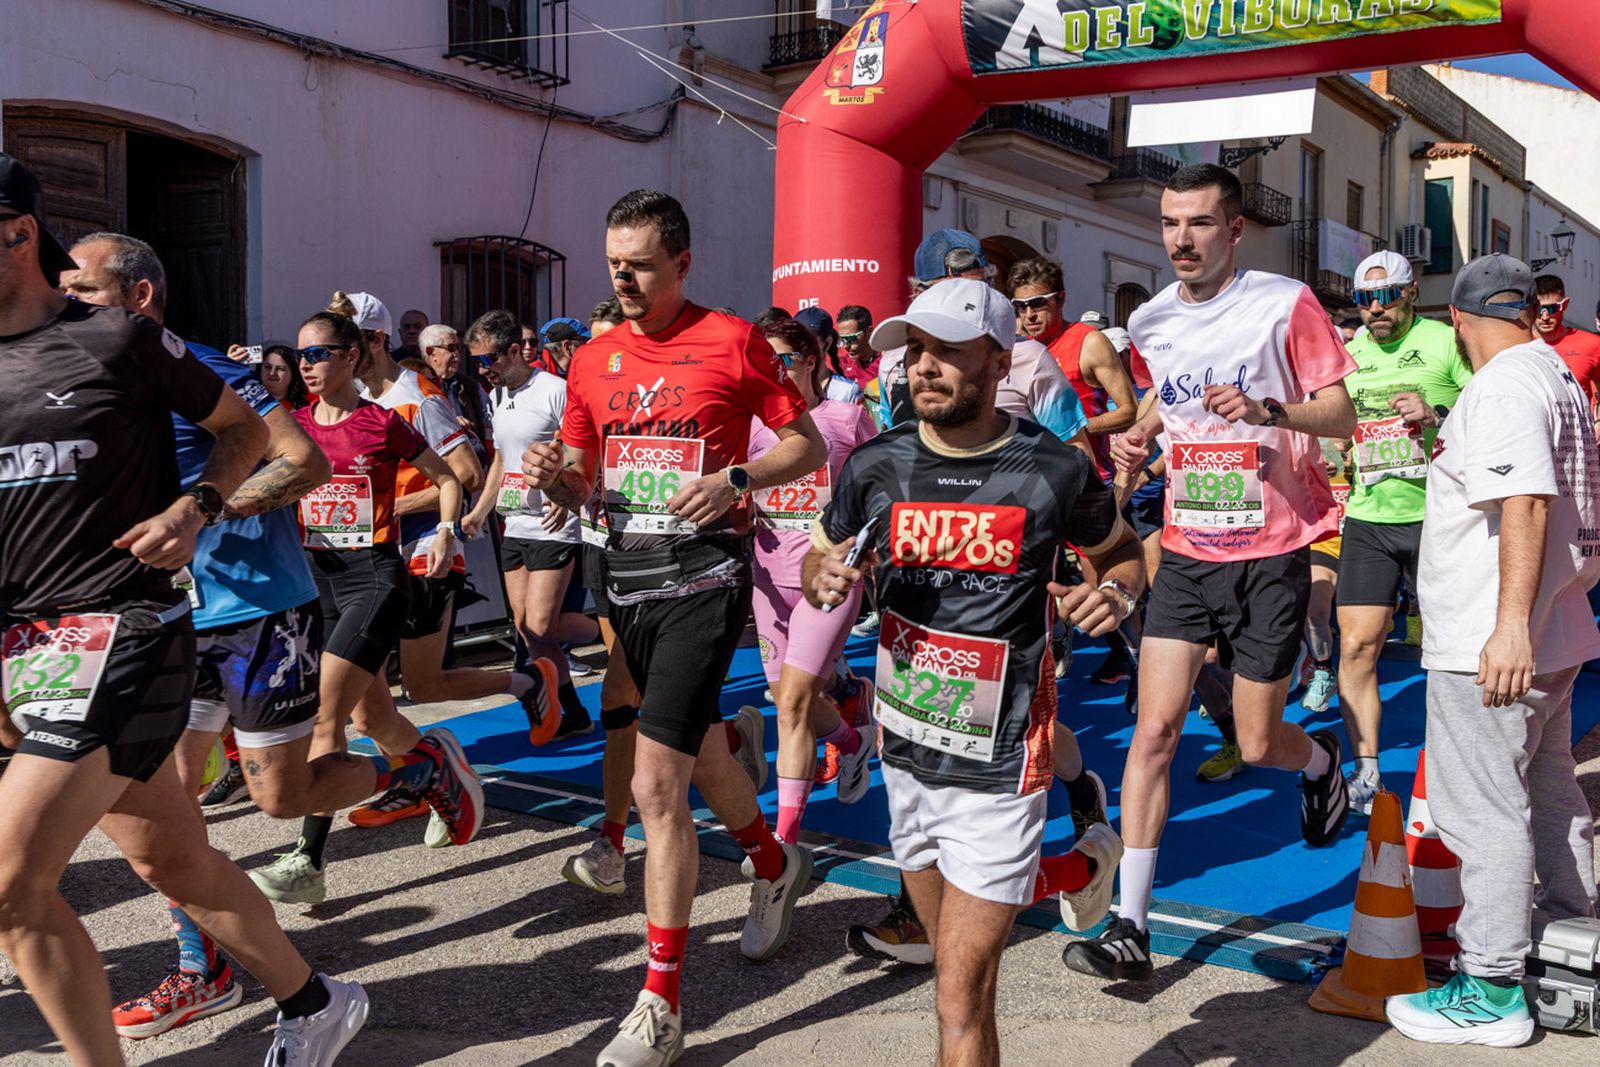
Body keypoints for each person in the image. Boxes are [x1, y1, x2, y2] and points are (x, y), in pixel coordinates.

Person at [59, 231, 478, 1039]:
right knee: (172, 807)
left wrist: (206, 511)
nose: (68, 305)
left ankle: (422, 765)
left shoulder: (208, 374)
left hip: (262, 613)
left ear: (139, 297)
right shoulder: (94, 385)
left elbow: (306, 466)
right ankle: (201, 965)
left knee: (280, 797)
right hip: (174, 621)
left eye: (84, 292)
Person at [0, 153, 368, 1065]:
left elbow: (254, 435)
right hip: (26, 643)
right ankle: (315, 1000)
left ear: (15, 231)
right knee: (171, 857)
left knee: (12, 884)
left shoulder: (117, 339)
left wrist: (193, 509)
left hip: (124, 628)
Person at [522, 190, 827, 1066]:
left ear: (682, 263)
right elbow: (583, 483)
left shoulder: (730, 339)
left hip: (708, 577)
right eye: (614, 259)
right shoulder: (593, 358)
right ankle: (773, 865)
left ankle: (659, 1002)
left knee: (660, 784)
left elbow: (802, 444)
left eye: (641, 262)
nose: (622, 274)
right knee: (703, 755)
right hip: (626, 577)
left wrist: (737, 477)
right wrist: (554, 476)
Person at [808, 278, 1139, 1064]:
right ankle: (1083, 861)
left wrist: (1117, 592)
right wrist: (826, 576)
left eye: (946, 352)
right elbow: (828, 550)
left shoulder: (1052, 469)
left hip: (1003, 759)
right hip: (909, 750)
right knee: (963, 991)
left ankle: (1075, 859)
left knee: (957, 990)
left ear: (998, 362)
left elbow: (1124, 550)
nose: (922, 367)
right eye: (914, 351)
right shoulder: (876, 464)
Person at [1065, 164, 1358, 980]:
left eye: (1197, 224)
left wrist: (1272, 412)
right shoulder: (1153, 319)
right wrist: (1139, 439)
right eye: (1168, 224)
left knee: (1261, 739)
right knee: (1155, 732)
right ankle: (1131, 923)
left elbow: (1343, 414)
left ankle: (1321, 762)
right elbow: (1170, 400)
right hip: (1191, 548)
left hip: (1272, 548)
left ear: (1234, 230)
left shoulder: (1283, 302)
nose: (1180, 240)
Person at [1386, 254, 1600, 1047]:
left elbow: (1526, 501)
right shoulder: (1552, 374)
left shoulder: (1505, 382)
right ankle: (1570, 932)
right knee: (1548, 791)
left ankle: (1491, 985)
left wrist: (1508, 624)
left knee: (1483, 810)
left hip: (1497, 632)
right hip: (1554, 623)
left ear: (1459, 320)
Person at [248, 309, 497, 901]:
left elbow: (448, 478)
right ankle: (436, 767)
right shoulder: (290, 427)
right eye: (300, 356)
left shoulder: (379, 424)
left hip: (375, 580)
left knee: (324, 718)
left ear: (351, 356)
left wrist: (444, 533)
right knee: (373, 720)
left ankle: (307, 861)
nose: (306, 366)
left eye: (319, 354)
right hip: (316, 586)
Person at [1336, 251, 1470, 813]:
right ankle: (1367, 771)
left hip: (1439, 513)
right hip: (1369, 514)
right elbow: (1333, 418)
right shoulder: (1349, 354)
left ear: (1411, 291)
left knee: (1453, 652)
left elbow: (1491, 404)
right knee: (1357, 644)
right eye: (1365, 299)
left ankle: (1462, 765)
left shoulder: (1444, 342)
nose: (1375, 309)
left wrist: (1436, 408)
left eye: (1386, 295)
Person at [750, 316, 878, 847]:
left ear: (809, 359)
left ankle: (783, 844)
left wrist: (864, 550)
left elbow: (882, 485)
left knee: (796, 702)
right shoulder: (749, 423)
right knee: (786, 698)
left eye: (781, 359)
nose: (772, 371)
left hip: (828, 578)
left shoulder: (846, 418)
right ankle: (852, 742)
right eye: (763, 362)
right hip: (765, 575)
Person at [460, 310, 592, 744]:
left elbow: (582, 447)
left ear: (515, 350)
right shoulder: (495, 397)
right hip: (515, 523)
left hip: (554, 522)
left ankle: (618, 629)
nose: (484, 368)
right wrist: (481, 510)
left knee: (541, 624)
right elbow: (501, 459)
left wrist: (570, 499)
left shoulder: (555, 390)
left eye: (490, 359)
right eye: (477, 361)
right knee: (526, 627)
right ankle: (572, 713)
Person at [1533, 273, 1600, 422]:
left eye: (1552, 309)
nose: (1545, 317)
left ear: (1565, 304)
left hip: (1578, 439)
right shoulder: (1517, 344)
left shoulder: (1592, 344)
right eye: (1539, 309)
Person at [795, 305, 862, 404]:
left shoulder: (848, 391)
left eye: (808, 339)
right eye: (795, 338)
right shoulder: (786, 390)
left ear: (827, 343)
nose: (800, 345)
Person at [835, 303, 880, 389]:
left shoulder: (885, 364)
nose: (846, 346)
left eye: (851, 338)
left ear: (869, 332)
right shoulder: (841, 365)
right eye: (842, 339)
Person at [261, 343, 311, 409]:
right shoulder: (247, 401)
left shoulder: (310, 401)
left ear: (293, 375)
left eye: (280, 369)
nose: (272, 373)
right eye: (268, 367)